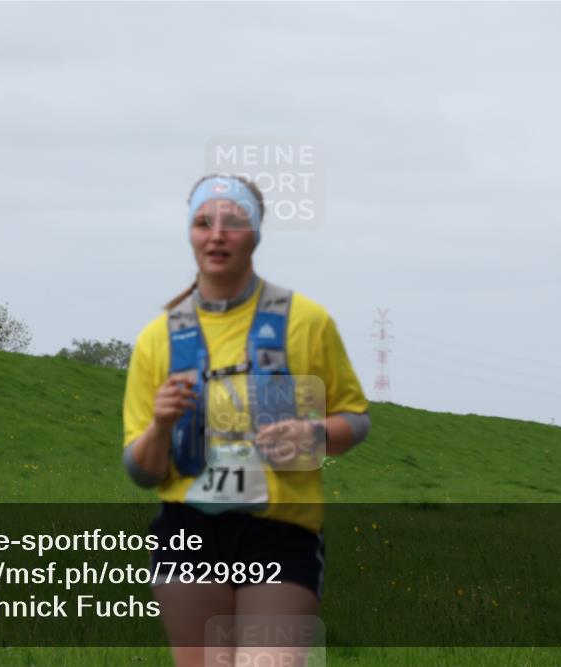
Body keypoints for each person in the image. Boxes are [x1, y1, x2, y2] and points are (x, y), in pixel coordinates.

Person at [121, 174, 371, 666]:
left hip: (280, 530)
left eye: (233, 223)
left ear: (255, 233)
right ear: (190, 233)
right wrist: (161, 426)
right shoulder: (157, 339)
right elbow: (141, 471)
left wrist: (314, 433)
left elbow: (355, 419)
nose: (217, 235)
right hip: (188, 530)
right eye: (203, 223)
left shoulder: (306, 321)